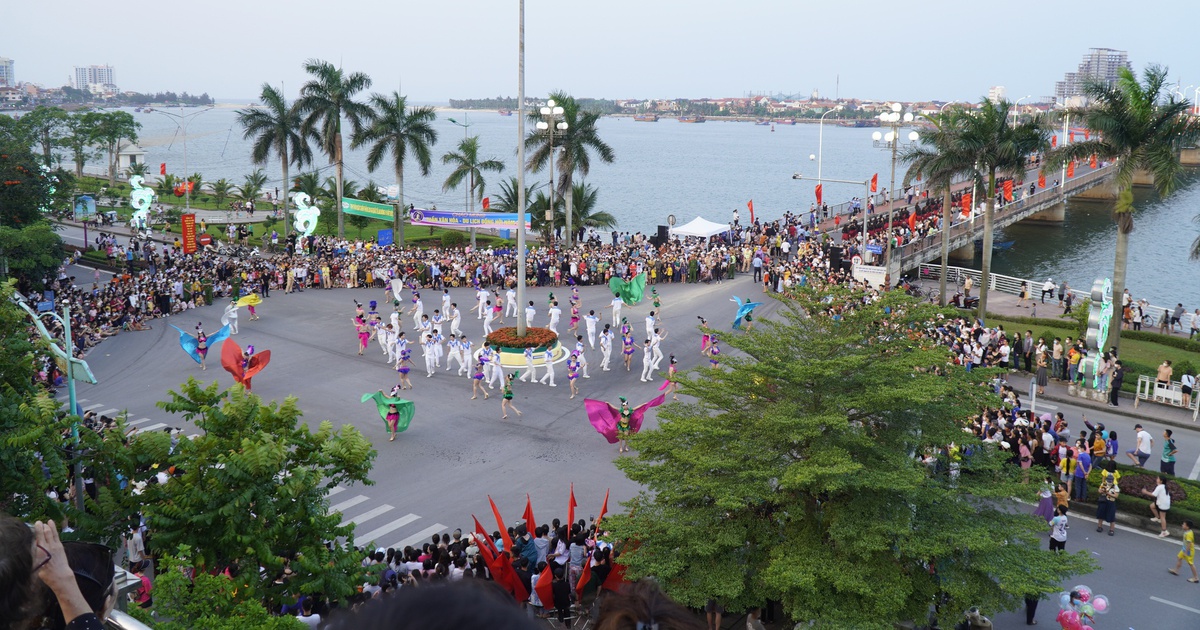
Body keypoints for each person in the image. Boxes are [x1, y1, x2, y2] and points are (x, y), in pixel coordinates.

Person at [1095, 461, 1121, 536]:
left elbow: (1116, 496)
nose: (1109, 482)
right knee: (1101, 514)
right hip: (1103, 500)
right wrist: (1101, 490)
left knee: (1111, 516)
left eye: (1110, 481)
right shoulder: (1104, 484)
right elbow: (1099, 490)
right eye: (1108, 480)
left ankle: (1111, 530)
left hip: (1111, 501)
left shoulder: (1115, 486)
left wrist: (1108, 493)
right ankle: (1099, 527)